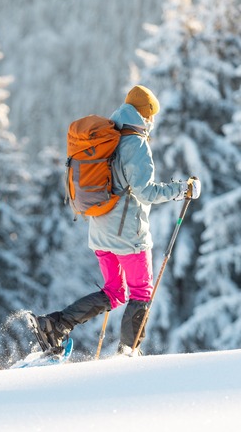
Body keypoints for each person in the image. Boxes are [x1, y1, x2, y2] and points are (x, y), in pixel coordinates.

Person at [34, 85, 201, 356]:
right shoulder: (136, 144)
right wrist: (182, 189)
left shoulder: (106, 136)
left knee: (115, 291)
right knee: (141, 291)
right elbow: (145, 192)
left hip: (100, 231)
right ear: (145, 115)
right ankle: (128, 352)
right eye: (152, 115)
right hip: (128, 235)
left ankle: (57, 323)